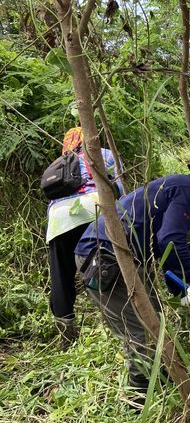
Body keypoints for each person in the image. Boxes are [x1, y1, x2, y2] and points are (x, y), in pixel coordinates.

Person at [73, 160, 190, 392]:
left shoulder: (184, 188)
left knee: (155, 319)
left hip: (120, 254)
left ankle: (160, 378)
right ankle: (140, 397)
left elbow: (164, 250)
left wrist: (181, 291)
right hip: (104, 254)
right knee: (142, 330)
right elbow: (171, 240)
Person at [46, 127, 123, 350]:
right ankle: (112, 324)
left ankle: (66, 336)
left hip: (58, 222)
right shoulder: (105, 154)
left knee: (61, 278)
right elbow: (120, 188)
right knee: (103, 266)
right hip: (94, 213)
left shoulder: (59, 163)